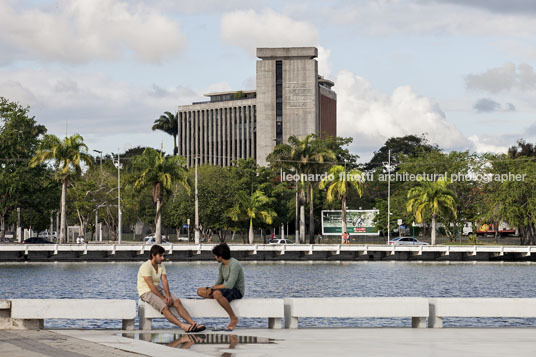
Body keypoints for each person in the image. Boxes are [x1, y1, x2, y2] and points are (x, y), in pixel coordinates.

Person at [138, 244, 205, 332]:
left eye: (163, 256)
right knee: (164, 307)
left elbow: (164, 280)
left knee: (177, 301)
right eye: (160, 256)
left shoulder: (161, 265)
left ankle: (193, 324)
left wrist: (168, 296)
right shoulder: (145, 266)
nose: (162, 258)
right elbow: (150, 285)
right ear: (153, 255)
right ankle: (183, 326)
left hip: (157, 289)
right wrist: (162, 298)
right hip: (146, 291)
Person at [197, 243, 245, 331]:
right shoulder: (221, 265)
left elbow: (230, 284)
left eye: (215, 256)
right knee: (200, 291)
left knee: (216, 293)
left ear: (220, 257)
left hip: (236, 290)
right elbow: (219, 281)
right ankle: (218, 297)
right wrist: (211, 288)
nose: (215, 258)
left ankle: (233, 318)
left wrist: (213, 289)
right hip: (226, 289)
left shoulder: (235, 264)